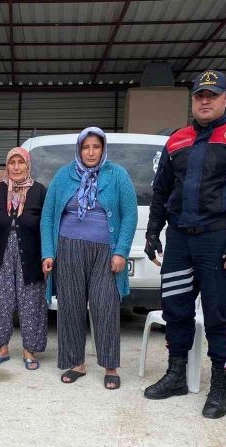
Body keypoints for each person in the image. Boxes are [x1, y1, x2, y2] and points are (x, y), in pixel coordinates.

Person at [142, 69, 226, 419]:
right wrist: (153, 232)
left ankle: (219, 386)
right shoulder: (177, 139)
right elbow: (161, 191)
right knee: (175, 309)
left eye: (212, 95)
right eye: (199, 95)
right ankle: (176, 375)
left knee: (219, 315)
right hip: (179, 240)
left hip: (220, 240)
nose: (204, 101)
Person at [40, 127, 138, 390]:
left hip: (106, 252)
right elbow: (48, 215)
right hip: (68, 249)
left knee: (105, 305)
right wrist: (48, 252)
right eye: (86, 147)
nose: (91, 152)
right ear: (79, 149)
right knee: (70, 307)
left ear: (103, 148)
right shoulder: (64, 175)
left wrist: (121, 251)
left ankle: (110, 366)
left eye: (96, 146)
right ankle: (77, 363)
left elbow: (130, 215)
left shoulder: (117, 175)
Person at [0, 148, 48, 369]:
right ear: (7, 165)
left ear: (28, 165)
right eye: (12, 162)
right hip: (1, 254)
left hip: (31, 255)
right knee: (1, 301)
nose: (16, 167)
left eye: (21, 162)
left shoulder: (39, 191)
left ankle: (30, 350)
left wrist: (47, 255)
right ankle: (2, 349)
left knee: (31, 303)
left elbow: (47, 225)